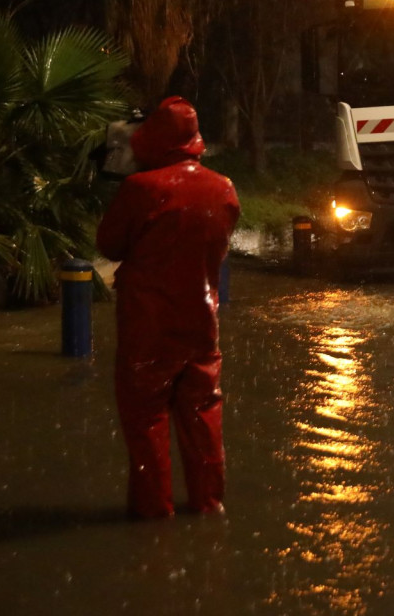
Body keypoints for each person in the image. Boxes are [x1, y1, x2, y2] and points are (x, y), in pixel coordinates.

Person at [96, 97, 240, 519]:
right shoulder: (224, 188)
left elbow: (109, 245)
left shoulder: (141, 189)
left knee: (146, 423)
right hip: (201, 322)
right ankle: (209, 504)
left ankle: (153, 516)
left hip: (148, 327)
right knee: (203, 417)